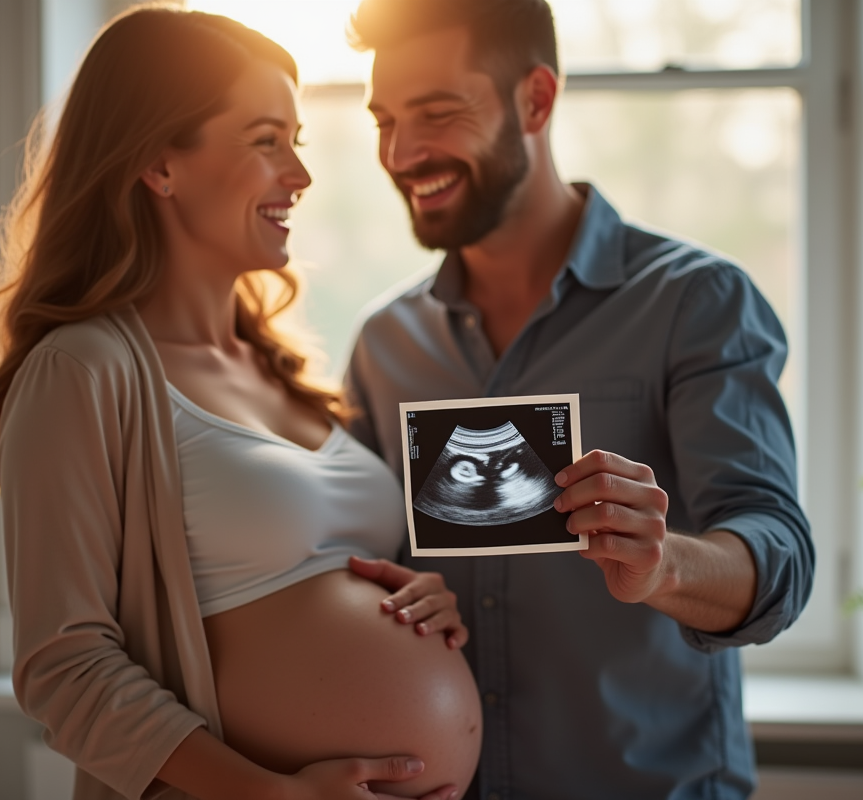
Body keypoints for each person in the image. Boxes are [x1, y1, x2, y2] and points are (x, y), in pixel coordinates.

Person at [0, 7, 483, 800]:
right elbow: (63, 667)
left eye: (295, 144)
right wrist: (273, 795)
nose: (298, 176)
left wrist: (418, 594)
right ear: (161, 165)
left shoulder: (283, 370)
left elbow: (315, 581)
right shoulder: (82, 371)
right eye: (265, 141)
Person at [342, 0, 815, 797]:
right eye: (384, 120)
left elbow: (779, 554)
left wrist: (663, 566)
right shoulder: (384, 345)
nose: (401, 151)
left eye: (438, 113)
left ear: (536, 99)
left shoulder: (696, 303)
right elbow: (358, 566)